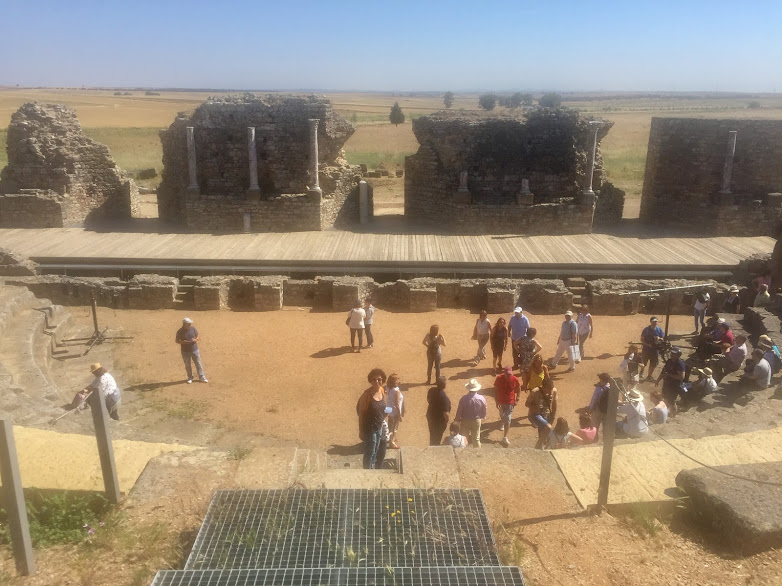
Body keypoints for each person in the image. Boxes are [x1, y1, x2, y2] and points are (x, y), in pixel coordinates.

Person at [356, 368, 388, 469]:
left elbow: (383, 407)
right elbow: (361, 414)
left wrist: (392, 411)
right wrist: (361, 431)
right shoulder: (366, 395)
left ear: (382, 380)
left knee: (376, 450)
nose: (377, 381)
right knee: (370, 451)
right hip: (369, 428)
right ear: (370, 380)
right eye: (374, 379)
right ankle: (367, 471)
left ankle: (372, 469)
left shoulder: (382, 390)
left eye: (379, 379)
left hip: (379, 426)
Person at [526, 377, 557, 449]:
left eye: (551, 388)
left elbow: (554, 404)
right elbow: (527, 404)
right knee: (548, 427)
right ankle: (538, 445)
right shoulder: (535, 392)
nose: (550, 391)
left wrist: (553, 415)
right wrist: (535, 407)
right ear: (544, 387)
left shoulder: (554, 391)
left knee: (543, 433)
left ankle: (539, 447)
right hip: (535, 415)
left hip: (546, 415)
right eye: (549, 389)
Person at [494, 365, 521, 446]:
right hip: (501, 401)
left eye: (510, 374)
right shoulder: (499, 378)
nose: (508, 376)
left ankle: (505, 437)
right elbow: (495, 390)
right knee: (502, 415)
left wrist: (517, 399)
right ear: (504, 373)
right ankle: (502, 422)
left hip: (510, 402)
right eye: (507, 374)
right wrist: (496, 401)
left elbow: (518, 388)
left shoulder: (515, 379)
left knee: (508, 418)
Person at [455, 379, 487, 448]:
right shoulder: (481, 398)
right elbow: (484, 409)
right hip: (476, 420)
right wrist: (483, 416)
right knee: (476, 439)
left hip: (465, 420)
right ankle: (477, 452)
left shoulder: (463, 399)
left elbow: (459, 411)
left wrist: (456, 420)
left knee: (464, 438)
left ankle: (463, 452)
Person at [176, 317, 208, 384]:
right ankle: (190, 377)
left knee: (198, 363)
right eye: (189, 324)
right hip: (185, 351)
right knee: (187, 365)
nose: (190, 325)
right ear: (184, 324)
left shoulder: (193, 328)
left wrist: (196, 339)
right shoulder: (180, 332)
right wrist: (183, 342)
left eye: (190, 324)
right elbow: (177, 341)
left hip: (195, 349)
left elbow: (197, 335)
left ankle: (202, 376)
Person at [656, 346, 685, 417]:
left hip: (674, 386)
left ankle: (673, 415)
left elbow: (681, 377)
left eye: (673, 353)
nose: (671, 354)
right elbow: (663, 372)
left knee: (671, 401)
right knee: (665, 398)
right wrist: (658, 380)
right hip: (667, 384)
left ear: (678, 355)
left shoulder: (680, 364)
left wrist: (669, 375)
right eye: (671, 353)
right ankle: (665, 412)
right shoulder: (669, 361)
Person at [426, 376, 451, 446]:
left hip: (430, 416)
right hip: (439, 421)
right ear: (444, 385)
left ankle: (431, 446)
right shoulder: (445, 398)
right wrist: (446, 421)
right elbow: (446, 414)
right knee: (437, 437)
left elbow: (428, 400)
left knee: (432, 435)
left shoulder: (431, 390)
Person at [587, 372, 612, 437]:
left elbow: (594, 399)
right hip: (608, 410)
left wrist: (590, 408)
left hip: (598, 410)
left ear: (601, 379)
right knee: (605, 426)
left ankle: (595, 438)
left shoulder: (599, 388)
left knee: (595, 425)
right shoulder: (611, 387)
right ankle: (605, 439)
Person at [640, 317, 664, 382]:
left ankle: (649, 376)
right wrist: (648, 344)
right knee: (644, 362)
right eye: (654, 321)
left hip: (655, 350)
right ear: (650, 322)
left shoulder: (659, 329)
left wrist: (659, 338)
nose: (655, 323)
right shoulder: (646, 330)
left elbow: (662, 339)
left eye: (656, 321)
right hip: (646, 349)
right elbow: (642, 339)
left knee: (653, 363)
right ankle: (641, 372)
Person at [385, 373, 404, 449]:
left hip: (389, 409)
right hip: (395, 411)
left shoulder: (388, 387)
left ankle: (391, 438)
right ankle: (392, 442)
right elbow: (397, 404)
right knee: (394, 427)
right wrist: (399, 415)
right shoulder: (396, 391)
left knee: (390, 425)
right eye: (397, 379)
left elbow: (387, 394)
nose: (398, 381)